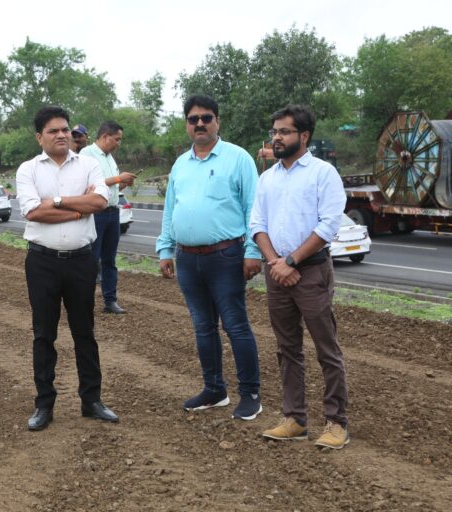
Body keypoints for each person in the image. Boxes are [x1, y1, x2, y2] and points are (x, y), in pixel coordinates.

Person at [156, 94, 263, 421]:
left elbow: (253, 208)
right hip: (187, 259)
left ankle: (251, 395)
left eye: (206, 118)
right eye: (193, 119)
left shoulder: (238, 158)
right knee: (203, 327)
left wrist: (253, 251)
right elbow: (170, 209)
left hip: (226, 257)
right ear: (187, 124)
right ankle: (214, 389)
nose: (199, 124)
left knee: (235, 325)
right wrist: (165, 248)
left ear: (217, 121)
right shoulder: (180, 164)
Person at [250, 105, 349, 449]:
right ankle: (294, 419)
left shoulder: (323, 174)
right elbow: (257, 225)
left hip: (311, 272)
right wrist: (276, 262)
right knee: (286, 348)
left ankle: (336, 422)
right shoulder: (267, 178)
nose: (276, 137)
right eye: (274, 132)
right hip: (276, 273)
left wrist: (291, 261)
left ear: (303, 136)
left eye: (284, 132)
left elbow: (328, 225)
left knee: (327, 348)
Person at [16, 105, 119, 431]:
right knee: (44, 335)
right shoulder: (28, 170)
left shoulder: (88, 164)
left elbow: (100, 203)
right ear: (39, 137)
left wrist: (58, 202)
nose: (61, 135)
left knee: (84, 333)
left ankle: (92, 400)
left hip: (81, 261)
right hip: (42, 261)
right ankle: (44, 404)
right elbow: (32, 212)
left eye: (65, 130)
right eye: (53, 131)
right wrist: (78, 208)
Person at [80, 121, 137, 314]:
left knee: (109, 260)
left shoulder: (110, 158)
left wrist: (123, 183)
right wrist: (119, 178)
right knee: (91, 259)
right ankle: (83, 301)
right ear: (105, 136)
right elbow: (91, 183)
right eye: (117, 139)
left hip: (113, 212)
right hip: (96, 214)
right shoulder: (87, 154)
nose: (118, 143)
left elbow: (111, 188)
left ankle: (110, 301)